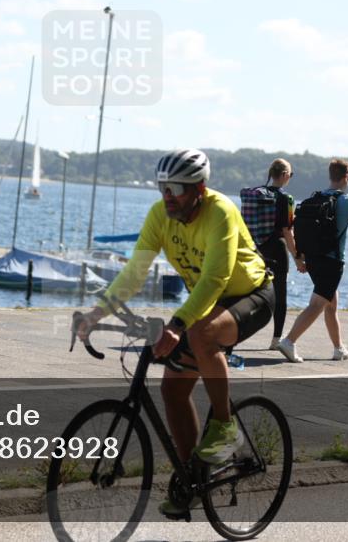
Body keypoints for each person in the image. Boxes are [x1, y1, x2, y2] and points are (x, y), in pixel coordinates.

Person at [75, 149, 275, 518]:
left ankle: (225, 426)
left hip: (251, 296)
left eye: (177, 189)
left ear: (199, 189)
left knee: (201, 335)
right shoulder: (159, 216)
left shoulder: (220, 211)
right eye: (163, 188)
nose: (168, 196)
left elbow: (215, 278)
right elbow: (134, 272)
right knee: (172, 389)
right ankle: (192, 480)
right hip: (208, 302)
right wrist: (96, 314)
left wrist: (177, 324)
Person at [277, 158, 348, 363]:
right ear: (346, 177)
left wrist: (299, 257)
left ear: (331, 176)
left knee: (331, 303)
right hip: (332, 261)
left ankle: (338, 348)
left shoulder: (316, 197)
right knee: (318, 304)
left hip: (312, 259)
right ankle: (289, 341)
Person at [245, 158, 299, 350]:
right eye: (290, 175)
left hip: (258, 249)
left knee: (253, 292)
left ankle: (236, 332)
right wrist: (297, 256)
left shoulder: (258, 195)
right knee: (280, 294)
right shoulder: (286, 199)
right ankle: (276, 339)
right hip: (277, 248)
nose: (290, 178)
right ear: (284, 175)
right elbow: (287, 231)